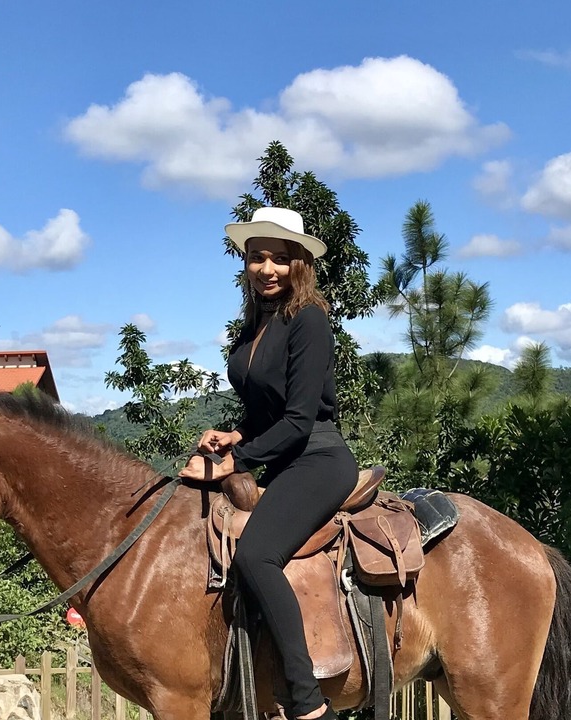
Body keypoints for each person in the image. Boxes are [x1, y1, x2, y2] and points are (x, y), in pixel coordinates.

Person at [179, 207, 357, 720]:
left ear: (299, 263)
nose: (268, 269)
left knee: (255, 555)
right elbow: (266, 412)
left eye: (280, 259)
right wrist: (233, 433)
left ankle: (306, 700)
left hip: (318, 459)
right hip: (281, 459)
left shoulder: (310, 320)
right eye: (258, 258)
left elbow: (300, 421)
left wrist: (232, 460)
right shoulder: (256, 324)